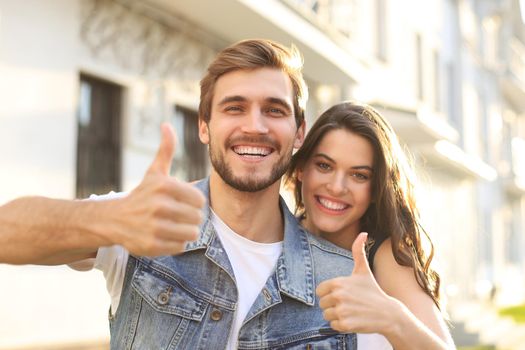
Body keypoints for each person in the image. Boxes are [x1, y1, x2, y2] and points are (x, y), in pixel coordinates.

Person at [1, 39, 360, 349]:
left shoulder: (343, 277)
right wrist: (111, 219)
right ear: (203, 126)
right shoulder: (141, 221)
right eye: (234, 107)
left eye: (274, 110)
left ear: (299, 133)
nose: (254, 125)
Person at [285, 102, 456, 350]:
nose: (336, 186)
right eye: (324, 165)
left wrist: (390, 316)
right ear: (301, 168)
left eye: (359, 175)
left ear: (376, 189)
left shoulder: (385, 254)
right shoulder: (277, 236)